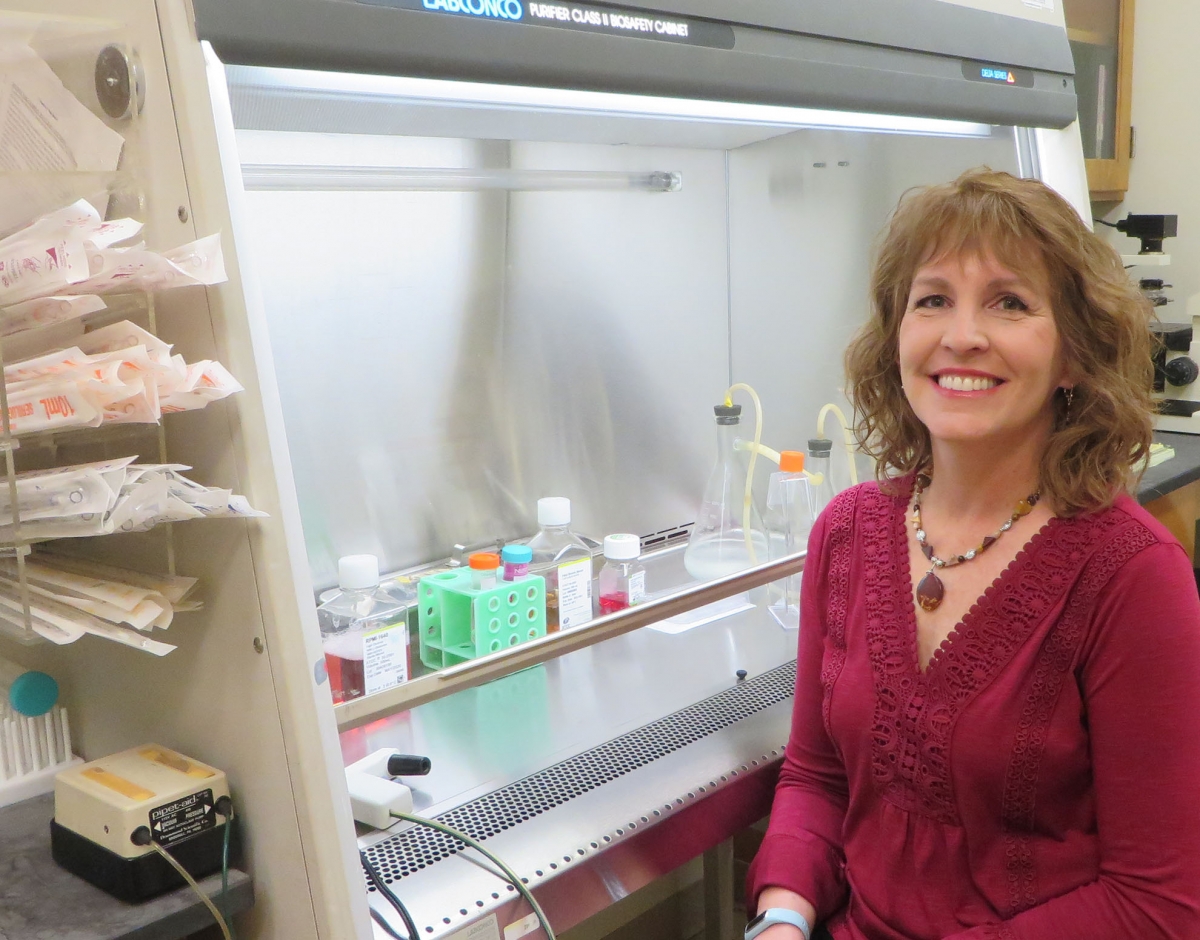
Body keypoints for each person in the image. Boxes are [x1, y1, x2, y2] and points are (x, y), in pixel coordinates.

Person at [745, 168, 1200, 940]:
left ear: (1074, 355)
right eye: (932, 300)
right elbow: (817, 779)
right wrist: (783, 919)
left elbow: (1157, 905)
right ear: (896, 337)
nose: (961, 335)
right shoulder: (847, 532)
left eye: (1009, 302)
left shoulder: (1131, 573)